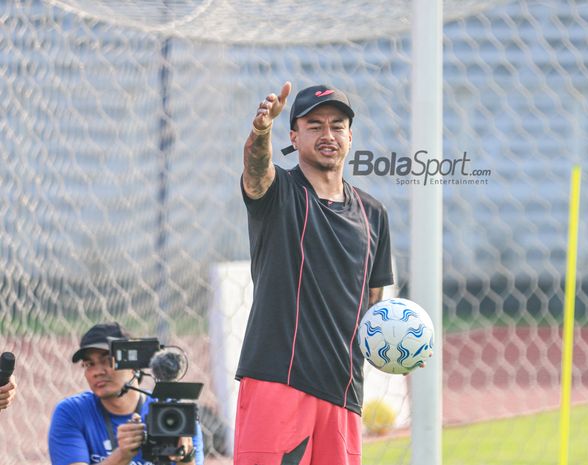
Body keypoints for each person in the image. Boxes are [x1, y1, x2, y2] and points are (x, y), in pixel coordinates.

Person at [235, 82, 394, 465]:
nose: (328, 135)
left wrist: (399, 344)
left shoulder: (374, 215)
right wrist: (260, 132)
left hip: (342, 393)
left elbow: (373, 309)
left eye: (337, 125)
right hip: (279, 382)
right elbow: (257, 171)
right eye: (315, 125)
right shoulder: (280, 193)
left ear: (350, 136)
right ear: (294, 135)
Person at [48, 322, 204, 465]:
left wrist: (186, 457)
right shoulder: (72, 412)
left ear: (134, 364)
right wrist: (122, 455)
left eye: (108, 360)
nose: (97, 372)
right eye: (89, 364)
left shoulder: (176, 415)